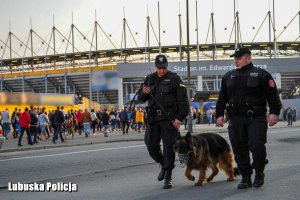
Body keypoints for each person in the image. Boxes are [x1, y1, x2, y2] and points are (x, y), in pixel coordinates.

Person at [215, 47, 282, 189]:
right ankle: (246, 177)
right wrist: (219, 114)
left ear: (248, 58)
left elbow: (273, 96)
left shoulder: (261, 75)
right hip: (235, 119)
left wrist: (274, 112)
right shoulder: (228, 76)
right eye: (235, 58)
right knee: (239, 148)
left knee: (256, 145)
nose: (236, 60)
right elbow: (222, 98)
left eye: (239, 58)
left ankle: (259, 172)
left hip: (255, 118)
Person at [138, 54, 189, 189]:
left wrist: (179, 118)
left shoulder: (175, 78)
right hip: (153, 119)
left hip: (168, 119)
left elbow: (183, 100)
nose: (162, 70)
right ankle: (163, 164)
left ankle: (168, 176)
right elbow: (141, 98)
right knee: (151, 146)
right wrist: (144, 92)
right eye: (159, 68)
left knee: (168, 148)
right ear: (156, 67)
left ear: (167, 66)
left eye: (164, 67)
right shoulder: (149, 78)